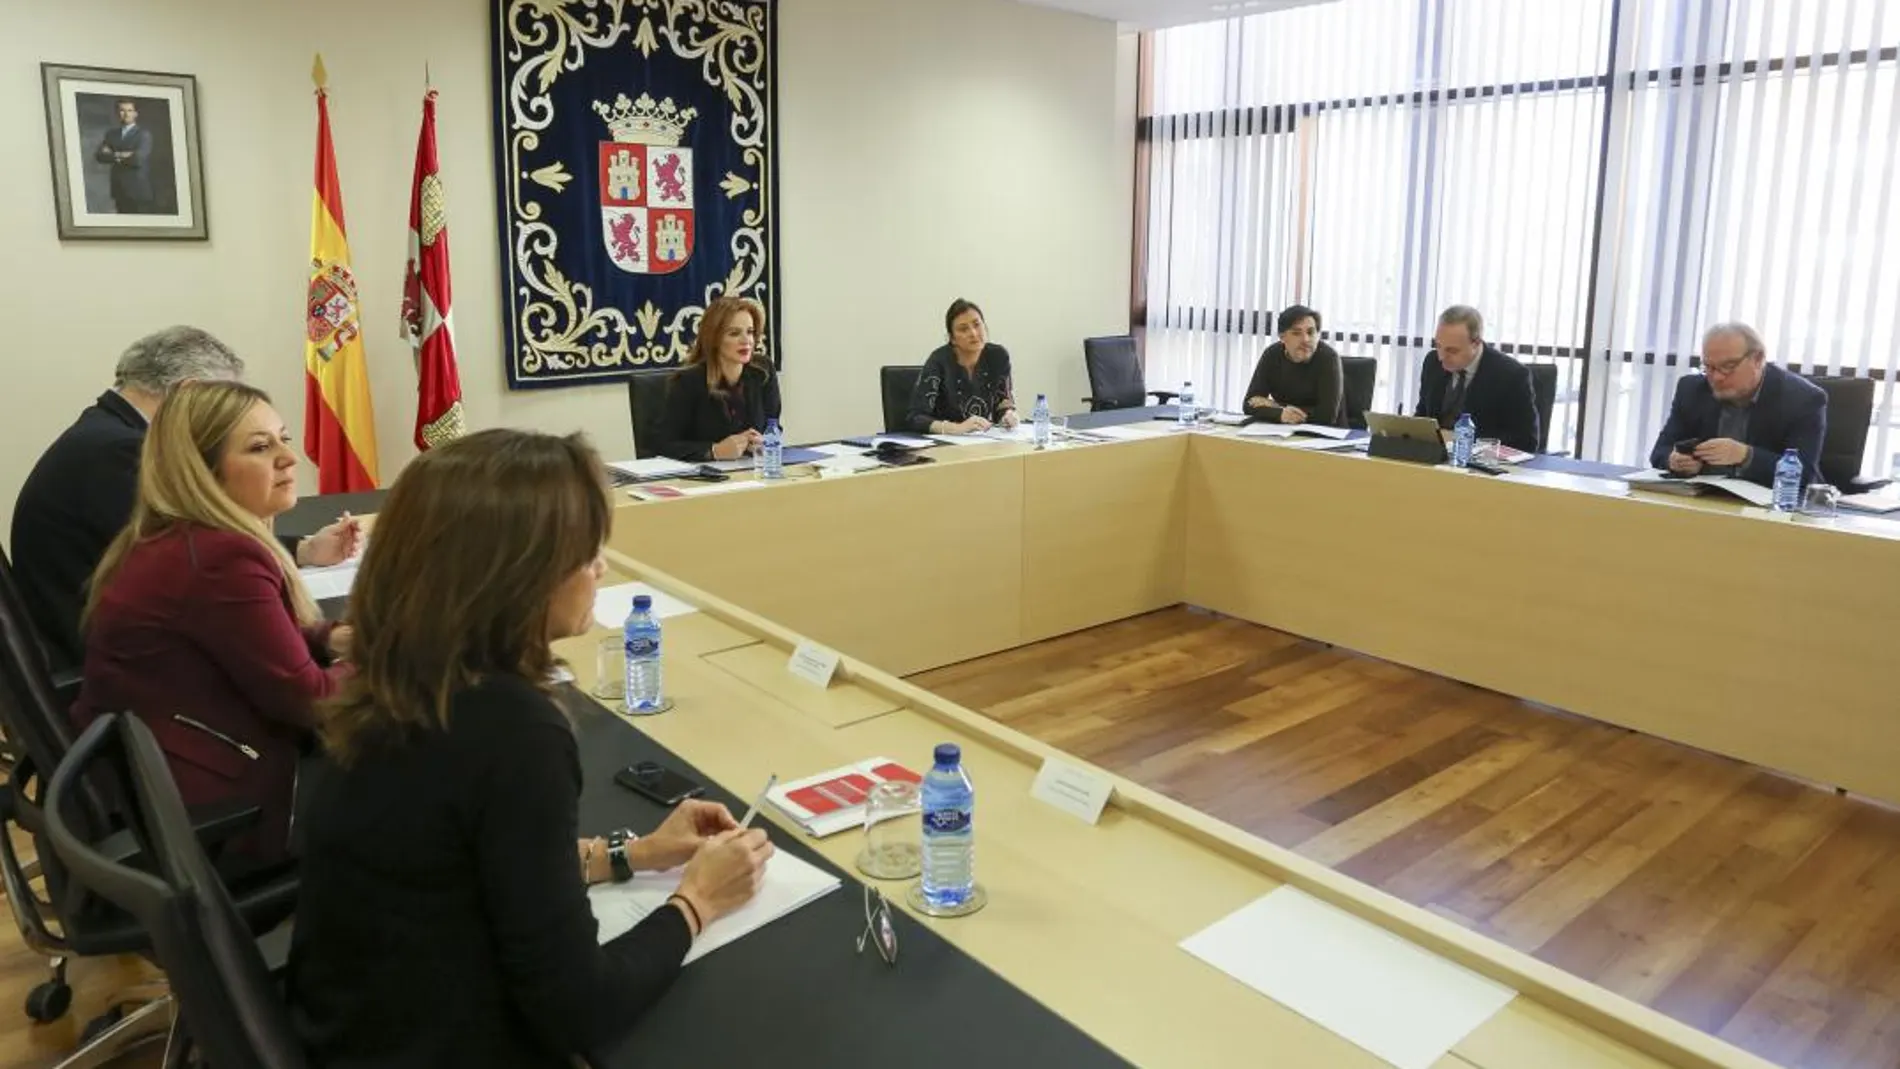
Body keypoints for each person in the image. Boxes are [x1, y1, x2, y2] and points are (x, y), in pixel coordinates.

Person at [287, 429, 773, 1068]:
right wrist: (698, 900)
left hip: (346, 1025)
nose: (601, 568)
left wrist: (632, 853)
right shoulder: (510, 727)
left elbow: (468, 866)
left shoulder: (404, 676)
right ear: (517, 573)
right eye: (586, 550)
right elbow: (581, 1008)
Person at [71, 381, 354, 874]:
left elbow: (245, 639)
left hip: (162, 785)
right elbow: (313, 701)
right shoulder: (220, 558)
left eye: (283, 438)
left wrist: (332, 638)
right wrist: (409, 656)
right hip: (219, 819)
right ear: (204, 472)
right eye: (261, 447)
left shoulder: (175, 537)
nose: (289, 458)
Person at [10, 326, 357, 671]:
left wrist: (303, 550)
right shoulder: (123, 452)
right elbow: (196, 553)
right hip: (122, 671)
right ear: (188, 393)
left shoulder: (105, 433)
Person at [1648, 322, 1827, 487]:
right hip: (1705, 500)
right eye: (1709, 367)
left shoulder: (1802, 399)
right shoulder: (1692, 390)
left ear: (1758, 359)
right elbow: (1660, 451)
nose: (1717, 377)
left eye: (1728, 366)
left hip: (1768, 508)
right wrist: (1675, 461)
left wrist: (1745, 455)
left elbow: (1803, 475)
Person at [650, 296, 781, 461]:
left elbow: (774, 426)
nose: (746, 340)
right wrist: (714, 450)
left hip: (753, 470)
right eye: (734, 333)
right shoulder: (689, 381)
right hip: (703, 478)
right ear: (714, 338)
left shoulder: (763, 370)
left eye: (750, 332)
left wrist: (766, 442)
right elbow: (662, 445)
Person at [1413, 305, 1540, 454]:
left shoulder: (1511, 375)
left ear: (1476, 343)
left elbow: (1526, 440)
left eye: (1452, 350)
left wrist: (1460, 440)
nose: (1442, 357)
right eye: (1439, 346)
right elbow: (1423, 415)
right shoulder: (1432, 362)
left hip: (1482, 464)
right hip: (1436, 460)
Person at [907, 298, 1019, 434]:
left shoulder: (998, 356)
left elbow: (1003, 401)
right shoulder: (938, 360)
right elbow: (916, 418)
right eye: (963, 329)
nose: (973, 333)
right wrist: (956, 428)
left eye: (977, 324)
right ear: (952, 338)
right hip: (943, 445)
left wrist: (1008, 415)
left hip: (983, 440)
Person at [1243, 305, 1345, 426]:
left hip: (1328, 435)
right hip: (1284, 431)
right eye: (1297, 333)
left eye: (1311, 332)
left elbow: (1326, 416)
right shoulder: (1272, 354)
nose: (1306, 339)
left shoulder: (1328, 358)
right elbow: (1249, 404)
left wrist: (1276, 407)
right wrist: (1280, 414)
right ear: (1282, 337)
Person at [94, 99, 155, 213]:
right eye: (122, 110)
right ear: (117, 113)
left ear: (136, 113)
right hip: (118, 189)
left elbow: (137, 160)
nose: (126, 114)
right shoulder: (111, 134)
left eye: (130, 110)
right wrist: (122, 154)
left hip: (137, 190)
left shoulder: (143, 134)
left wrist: (112, 154)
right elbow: (100, 156)